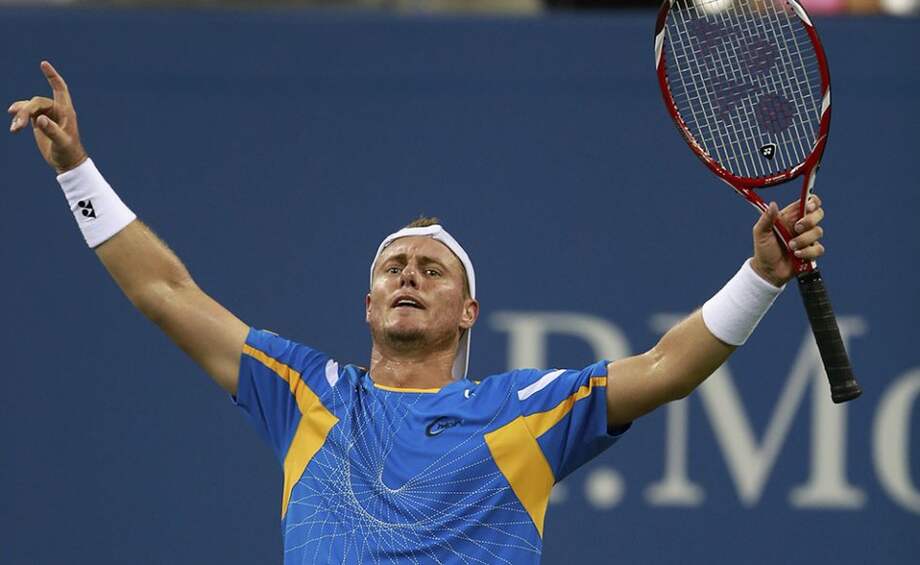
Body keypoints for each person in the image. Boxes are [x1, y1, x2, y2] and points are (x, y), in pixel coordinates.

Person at [9, 61, 827, 564]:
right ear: (366, 303)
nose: (408, 275)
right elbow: (166, 293)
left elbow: (666, 367)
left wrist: (760, 274)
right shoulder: (301, 391)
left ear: (468, 309)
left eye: (430, 269)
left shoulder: (526, 413)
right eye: (392, 266)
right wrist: (76, 170)